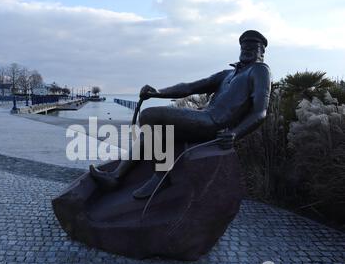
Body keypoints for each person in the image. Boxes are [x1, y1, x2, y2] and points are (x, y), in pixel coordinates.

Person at [90, 30, 272, 199]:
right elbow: (190, 87)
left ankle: (161, 176)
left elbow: (260, 112)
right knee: (152, 132)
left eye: (253, 47)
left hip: (213, 123)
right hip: (204, 116)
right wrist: (157, 93)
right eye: (244, 46)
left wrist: (235, 134)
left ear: (262, 50)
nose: (247, 49)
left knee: (149, 116)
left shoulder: (260, 70)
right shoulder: (228, 74)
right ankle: (116, 177)